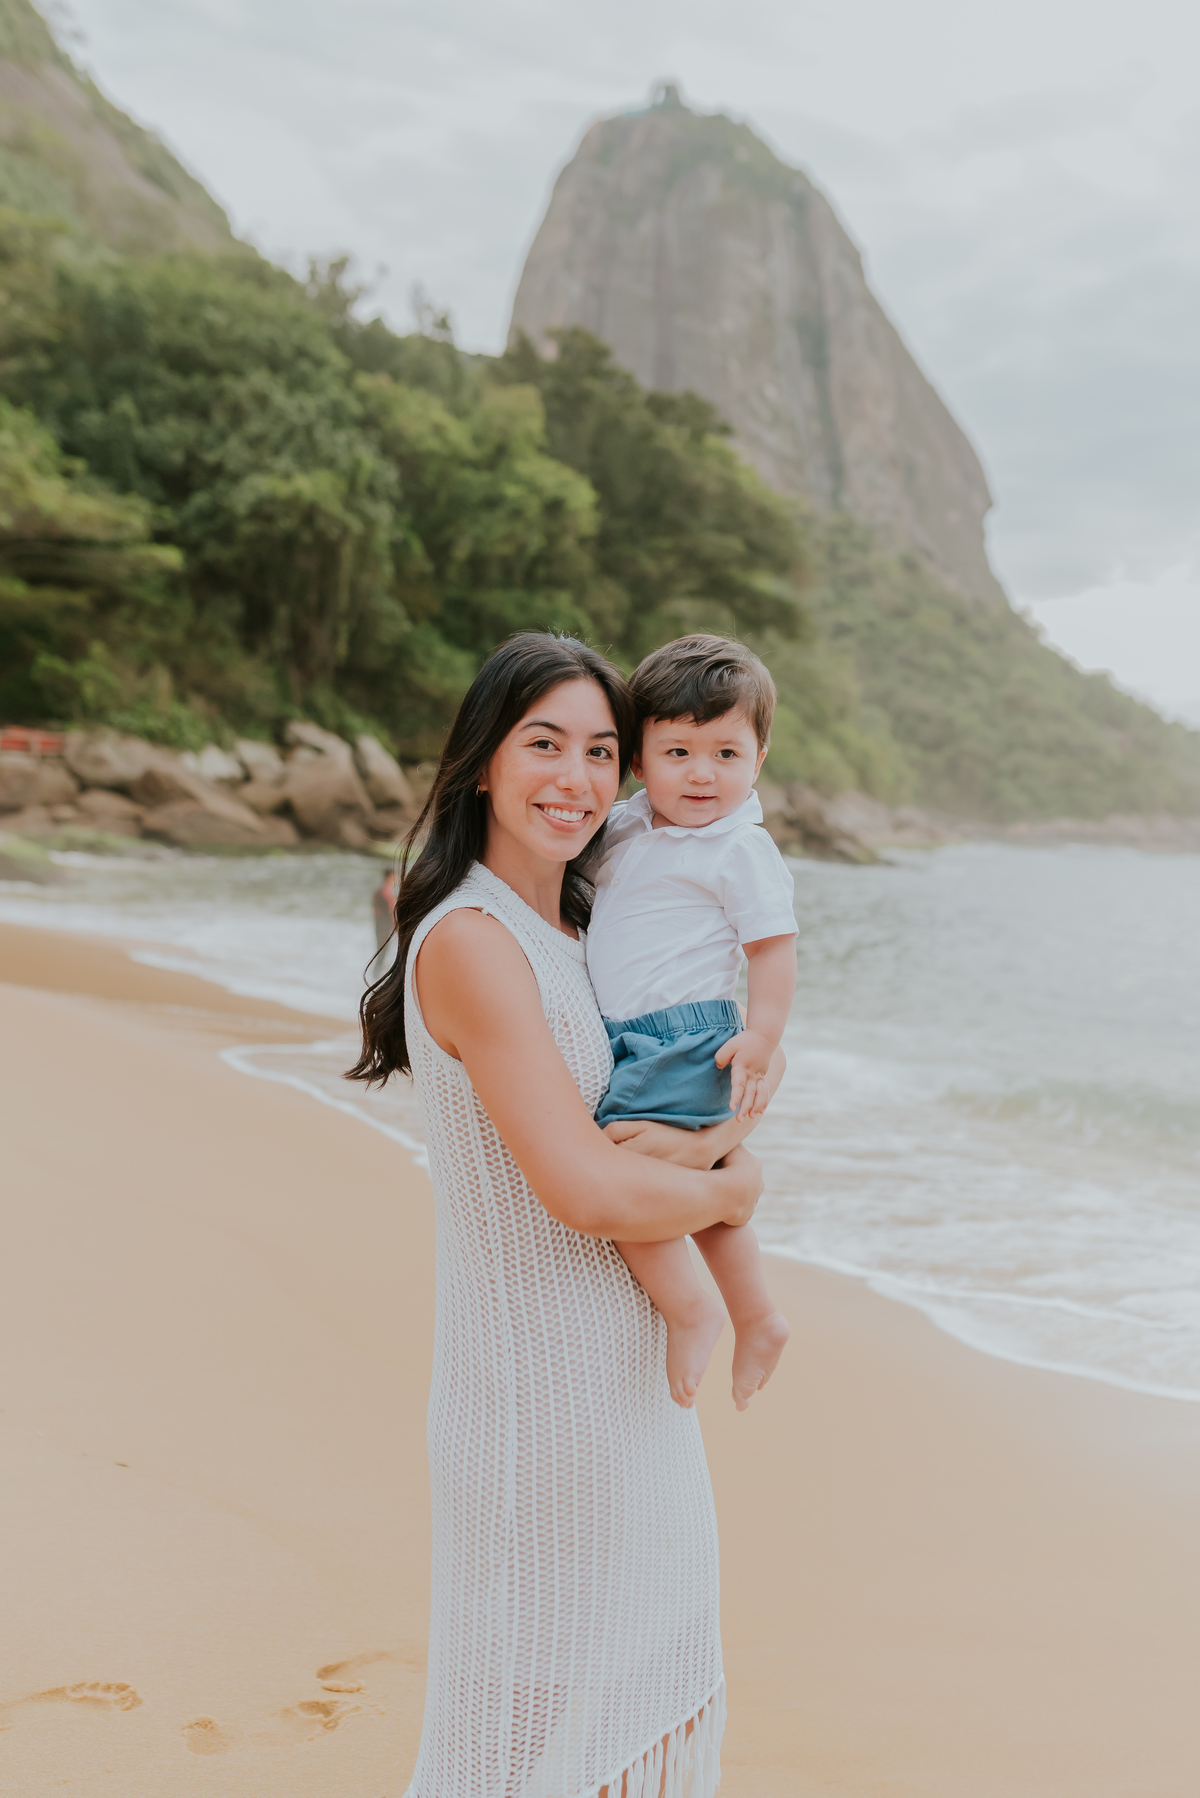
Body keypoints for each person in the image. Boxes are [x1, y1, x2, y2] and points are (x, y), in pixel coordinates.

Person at [348, 632, 766, 1798]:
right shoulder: (476, 942)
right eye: (544, 744)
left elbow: (650, 1120)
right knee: (524, 1743)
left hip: (626, 1396)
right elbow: (582, 1188)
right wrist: (733, 1189)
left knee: (623, 1714)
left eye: (598, 750)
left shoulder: (584, 937)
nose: (575, 779)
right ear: (484, 759)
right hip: (535, 1406)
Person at [588, 635, 796, 1412]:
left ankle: (693, 1307)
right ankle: (758, 1315)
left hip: (685, 1036)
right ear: (639, 758)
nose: (702, 773)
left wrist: (763, 1037)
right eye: (678, 750)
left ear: (759, 758)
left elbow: (773, 952)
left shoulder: (740, 847)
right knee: (699, 1182)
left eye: (725, 753)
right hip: (634, 1034)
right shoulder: (626, 826)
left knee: (628, 1174)